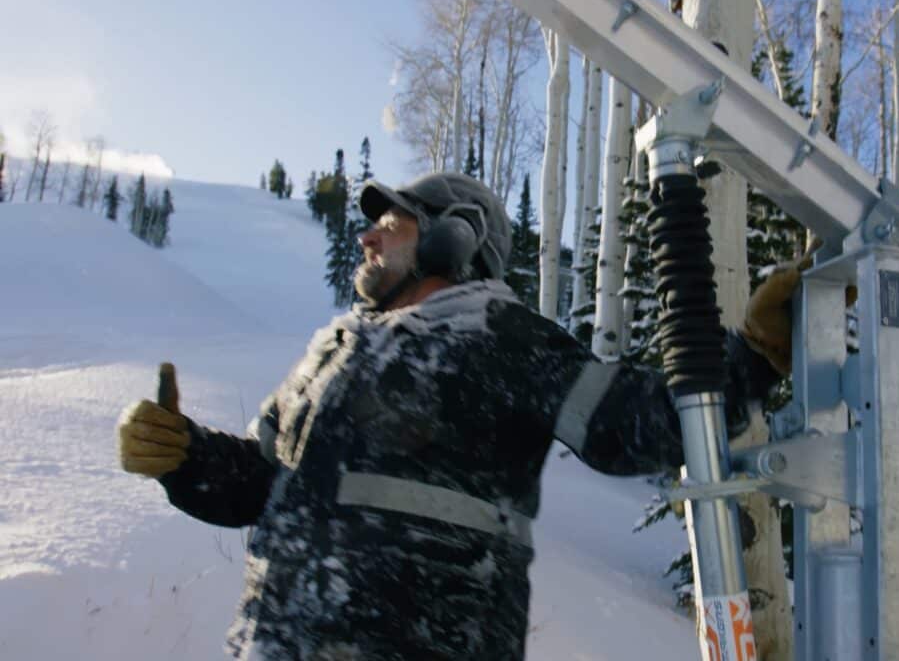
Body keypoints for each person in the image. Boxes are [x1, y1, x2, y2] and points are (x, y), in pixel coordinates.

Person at [116, 172, 800, 660]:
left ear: (453, 238)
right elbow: (260, 486)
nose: (366, 238)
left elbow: (638, 425)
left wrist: (755, 355)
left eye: (390, 223)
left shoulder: (498, 338)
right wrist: (185, 456)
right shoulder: (329, 353)